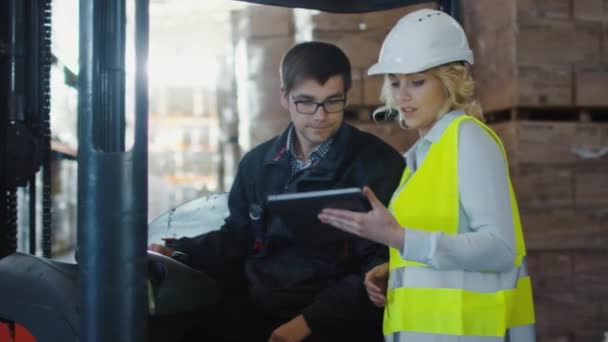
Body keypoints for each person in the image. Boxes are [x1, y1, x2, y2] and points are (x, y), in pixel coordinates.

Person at [149, 41, 405, 342]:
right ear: (284, 96)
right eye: (306, 102)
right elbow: (238, 237)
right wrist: (180, 251)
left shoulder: (378, 165)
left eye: (332, 101)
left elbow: (378, 266)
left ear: (347, 95)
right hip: (260, 307)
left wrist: (306, 324)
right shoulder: (258, 164)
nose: (320, 115)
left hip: (335, 321)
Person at [318, 9, 536, 342]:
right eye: (395, 82)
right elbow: (447, 243)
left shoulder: (469, 139)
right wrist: (400, 272)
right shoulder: (423, 155)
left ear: (451, 81)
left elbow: (501, 249)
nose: (402, 96)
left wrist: (402, 239)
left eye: (417, 82)